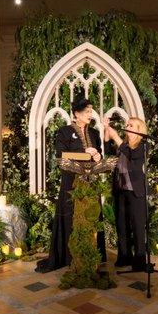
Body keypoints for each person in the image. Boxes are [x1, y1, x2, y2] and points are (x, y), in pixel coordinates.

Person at [35, 95, 106, 273]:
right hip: (71, 184)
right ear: (76, 113)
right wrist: (85, 154)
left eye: (91, 111)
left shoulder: (94, 133)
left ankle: (92, 255)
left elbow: (99, 158)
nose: (91, 114)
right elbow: (61, 157)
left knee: (91, 217)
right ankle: (70, 256)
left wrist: (98, 157)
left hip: (91, 184)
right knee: (71, 217)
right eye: (87, 111)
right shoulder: (64, 132)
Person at [103, 116, 148, 271]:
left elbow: (133, 158)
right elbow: (108, 149)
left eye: (131, 125)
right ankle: (124, 257)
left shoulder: (142, 146)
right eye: (127, 124)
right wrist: (107, 129)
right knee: (121, 225)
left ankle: (140, 260)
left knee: (137, 226)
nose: (127, 126)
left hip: (135, 192)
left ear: (138, 130)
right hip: (120, 190)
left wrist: (116, 137)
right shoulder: (123, 145)